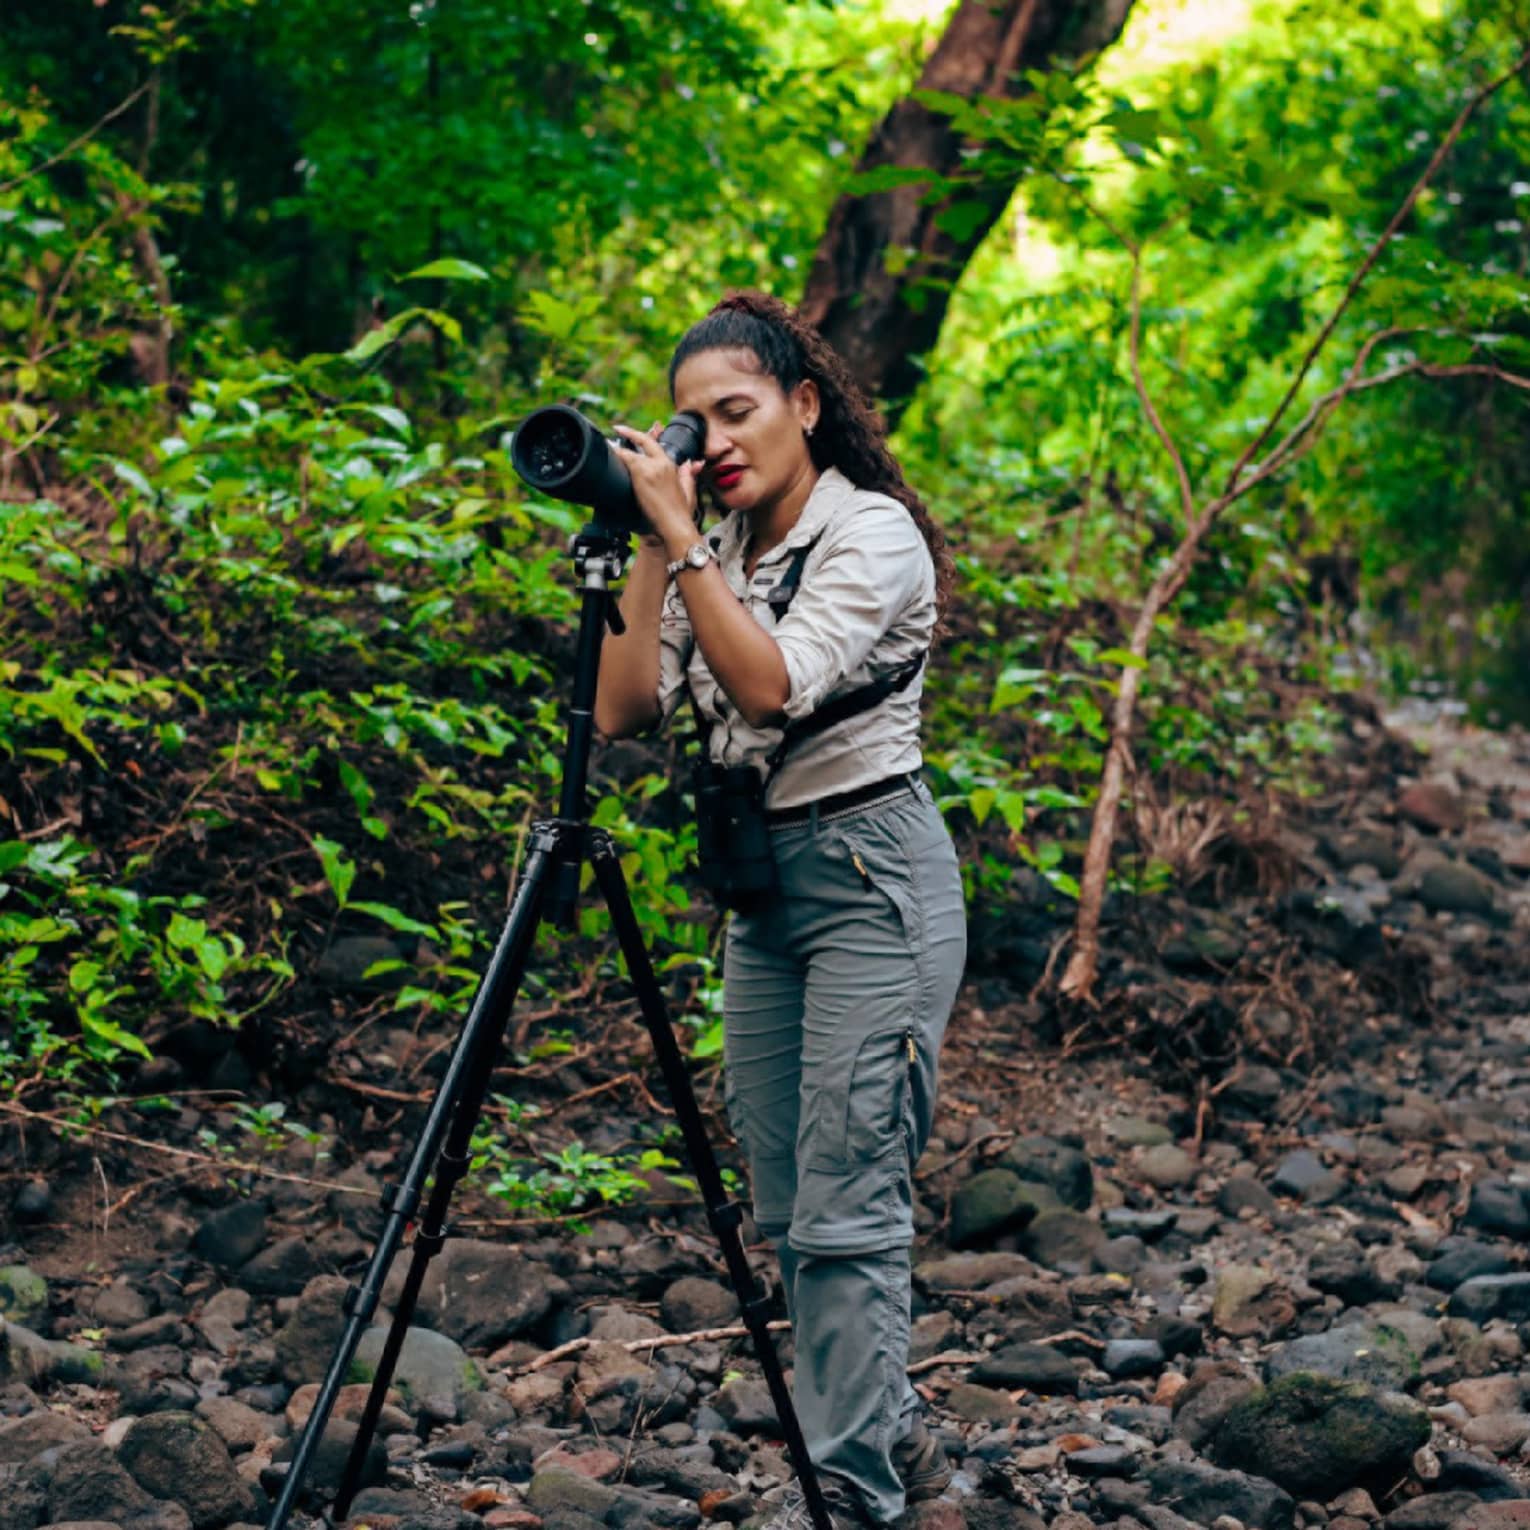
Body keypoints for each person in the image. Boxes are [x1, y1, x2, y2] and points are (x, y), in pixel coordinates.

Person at [593, 291, 967, 1529]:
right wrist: (656, 538)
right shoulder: (723, 542)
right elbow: (624, 711)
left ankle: (848, 1498)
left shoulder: (875, 538)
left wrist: (685, 542)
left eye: (738, 412)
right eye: (692, 425)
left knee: (849, 1202)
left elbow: (767, 689)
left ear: (806, 405)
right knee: (785, 1199)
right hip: (764, 897)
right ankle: (889, 1437)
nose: (718, 442)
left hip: (873, 877)